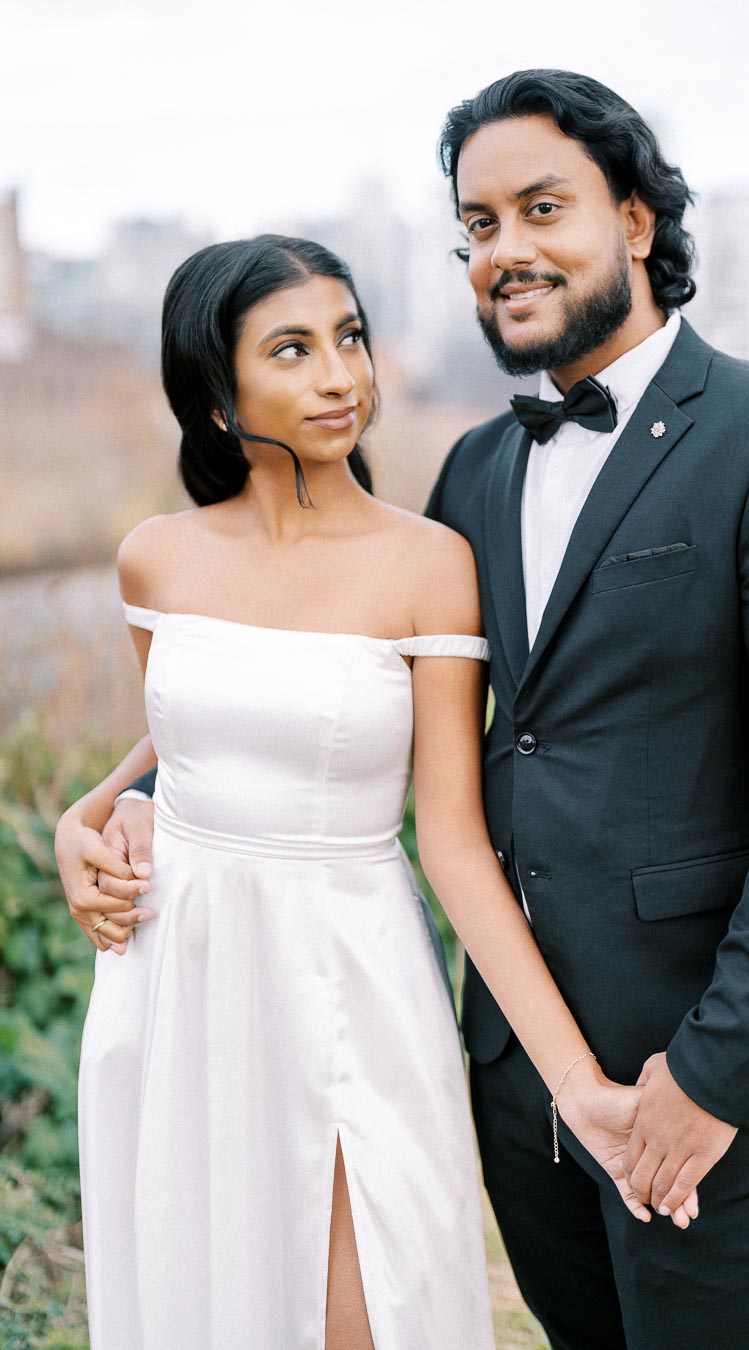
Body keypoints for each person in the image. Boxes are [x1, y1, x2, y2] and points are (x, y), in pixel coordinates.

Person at [58, 70, 749, 1348]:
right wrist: (128, 803)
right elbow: (332, 685)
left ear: (634, 218)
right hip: (509, 1063)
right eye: (479, 224)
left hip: (697, 1066)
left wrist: (714, 1072)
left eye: (542, 208)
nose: (506, 249)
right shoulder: (479, 468)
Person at [54, 233, 696, 1350]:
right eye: (292, 349)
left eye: (348, 337)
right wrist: (88, 812)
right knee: (197, 1290)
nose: (341, 375)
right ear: (215, 393)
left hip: (347, 967)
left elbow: (452, 841)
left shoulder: (428, 565)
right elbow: (189, 740)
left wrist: (580, 1088)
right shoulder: (155, 557)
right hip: (177, 969)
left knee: (367, 1308)